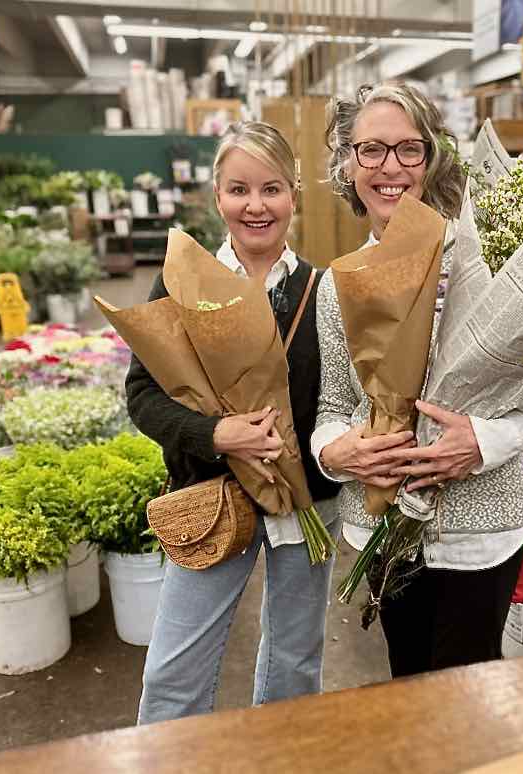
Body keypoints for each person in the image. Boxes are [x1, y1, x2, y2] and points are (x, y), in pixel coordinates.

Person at [312, 82, 523, 679]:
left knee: (470, 688)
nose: (391, 168)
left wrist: (484, 442)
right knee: (408, 680)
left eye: (410, 149)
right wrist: (337, 451)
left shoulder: (493, 259)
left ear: (433, 157)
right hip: (383, 523)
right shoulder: (338, 284)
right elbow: (331, 401)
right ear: (348, 165)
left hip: (484, 527)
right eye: (371, 150)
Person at [127, 121, 340, 724]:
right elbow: (143, 395)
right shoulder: (181, 281)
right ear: (216, 195)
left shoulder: (320, 291)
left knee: (296, 662)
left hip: (308, 506)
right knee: (176, 669)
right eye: (239, 189)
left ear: (295, 194)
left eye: (272, 189)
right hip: (210, 498)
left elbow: (339, 397)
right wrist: (217, 436)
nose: (256, 205)